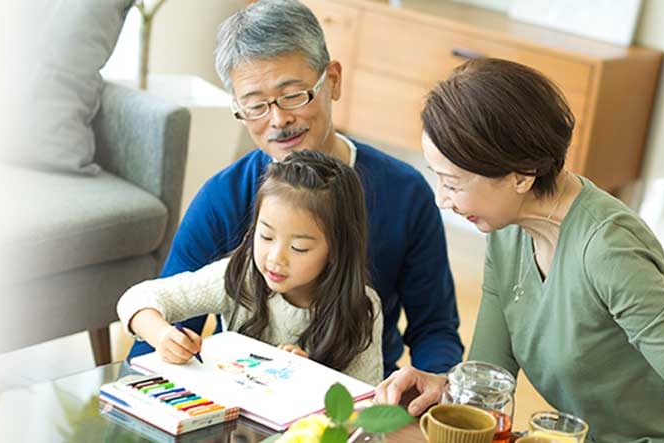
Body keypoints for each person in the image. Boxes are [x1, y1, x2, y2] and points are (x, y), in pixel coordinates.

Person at [374, 58, 664, 443]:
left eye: (451, 183)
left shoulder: (608, 249)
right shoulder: (507, 232)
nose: (441, 200)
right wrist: (444, 387)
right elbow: (490, 372)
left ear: (520, 176)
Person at [125, 0, 463, 376]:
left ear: (332, 80)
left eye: (293, 96)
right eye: (255, 106)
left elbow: (435, 331)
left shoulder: (404, 194)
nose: (279, 119)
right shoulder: (223, 197)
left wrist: (426, 397)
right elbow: (162, 332)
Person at [117, 150, 383, 385]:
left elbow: (365, 407)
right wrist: (161, 335)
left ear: (337, 249)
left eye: (299, 247)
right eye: (265, 236)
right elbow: (135, 299)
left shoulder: (362, 308)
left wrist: (312, 378)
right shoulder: (238, 276)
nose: (276, 258)